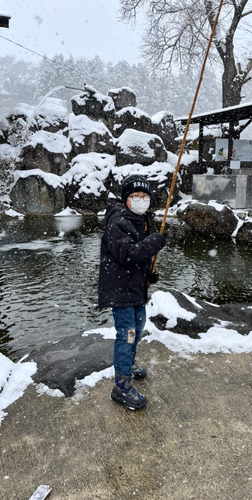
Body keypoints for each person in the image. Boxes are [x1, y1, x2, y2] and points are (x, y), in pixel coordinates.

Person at [98, 174, 166, 410]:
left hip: (135, 289)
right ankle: (121, 386)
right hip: (121, 291)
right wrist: (154, 243)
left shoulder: (141, 220)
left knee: (136, 330)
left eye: (144, 196)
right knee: (126, 336)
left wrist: (148, 274)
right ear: (126, 199)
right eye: (135, 196)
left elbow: (137, 257)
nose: (141, 200)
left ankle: (128, 365)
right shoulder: (118, 222)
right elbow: (127, 254)